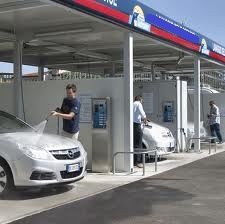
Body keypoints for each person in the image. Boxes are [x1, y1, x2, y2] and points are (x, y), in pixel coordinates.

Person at [133, 95, 149, 168]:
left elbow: (135, 115)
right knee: (139, 143)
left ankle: (133, 160)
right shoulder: (138, 104)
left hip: (131, 125)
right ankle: (138, 161)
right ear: (140, 100)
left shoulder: (132, 104)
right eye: (142, 100)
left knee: (133, 143)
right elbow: (142, 113)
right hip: (136, 125)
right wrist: (145, 119)